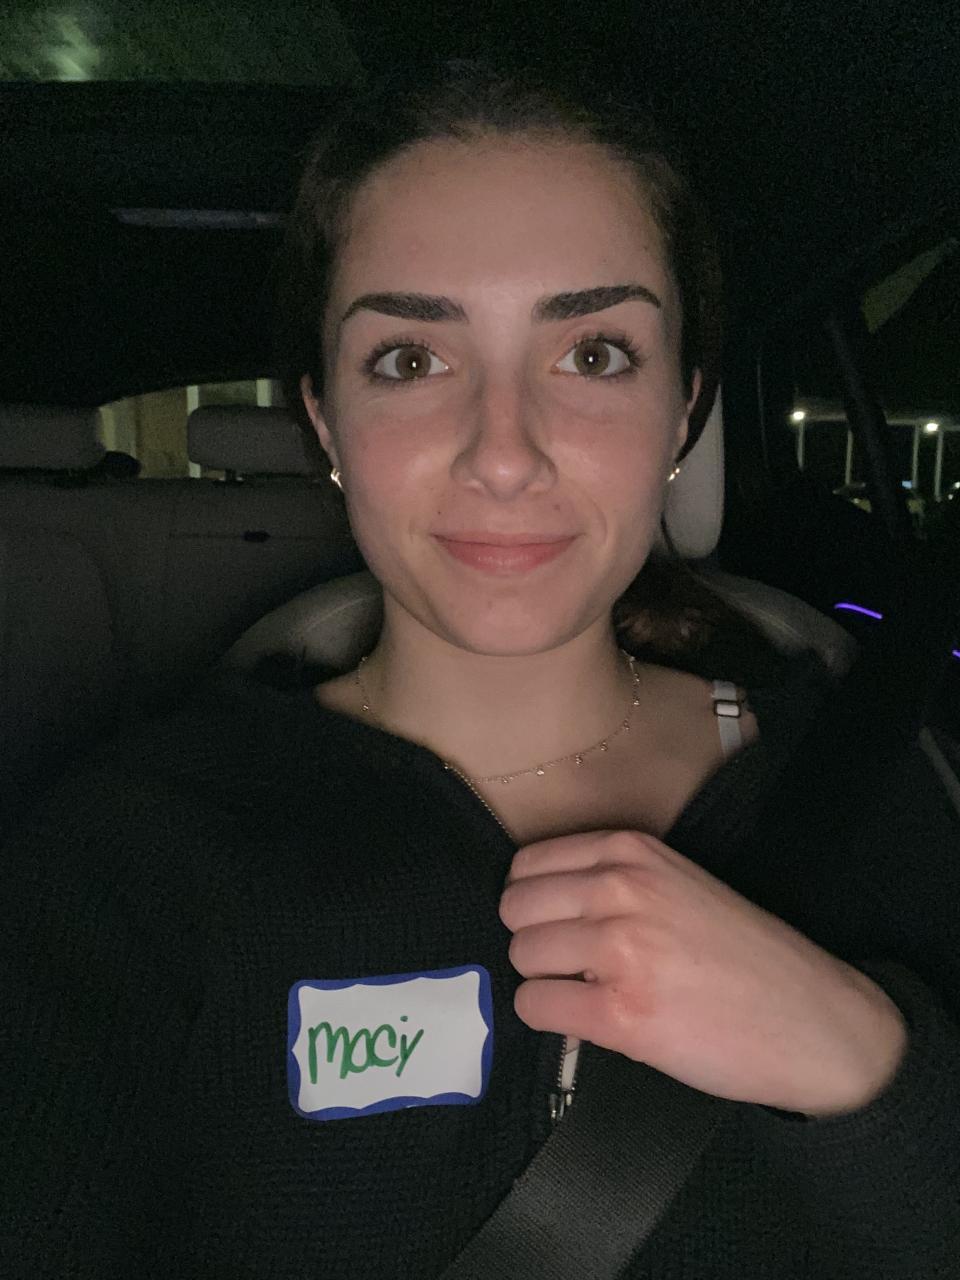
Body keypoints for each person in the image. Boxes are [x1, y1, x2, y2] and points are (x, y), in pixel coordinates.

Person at [3, 58, 960, 1280]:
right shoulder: (129, 863)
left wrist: (872, 1063)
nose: (504, 455)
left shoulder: (875, 788)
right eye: (411, 359)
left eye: (594, 353)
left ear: (683, 411)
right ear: (325, 418)